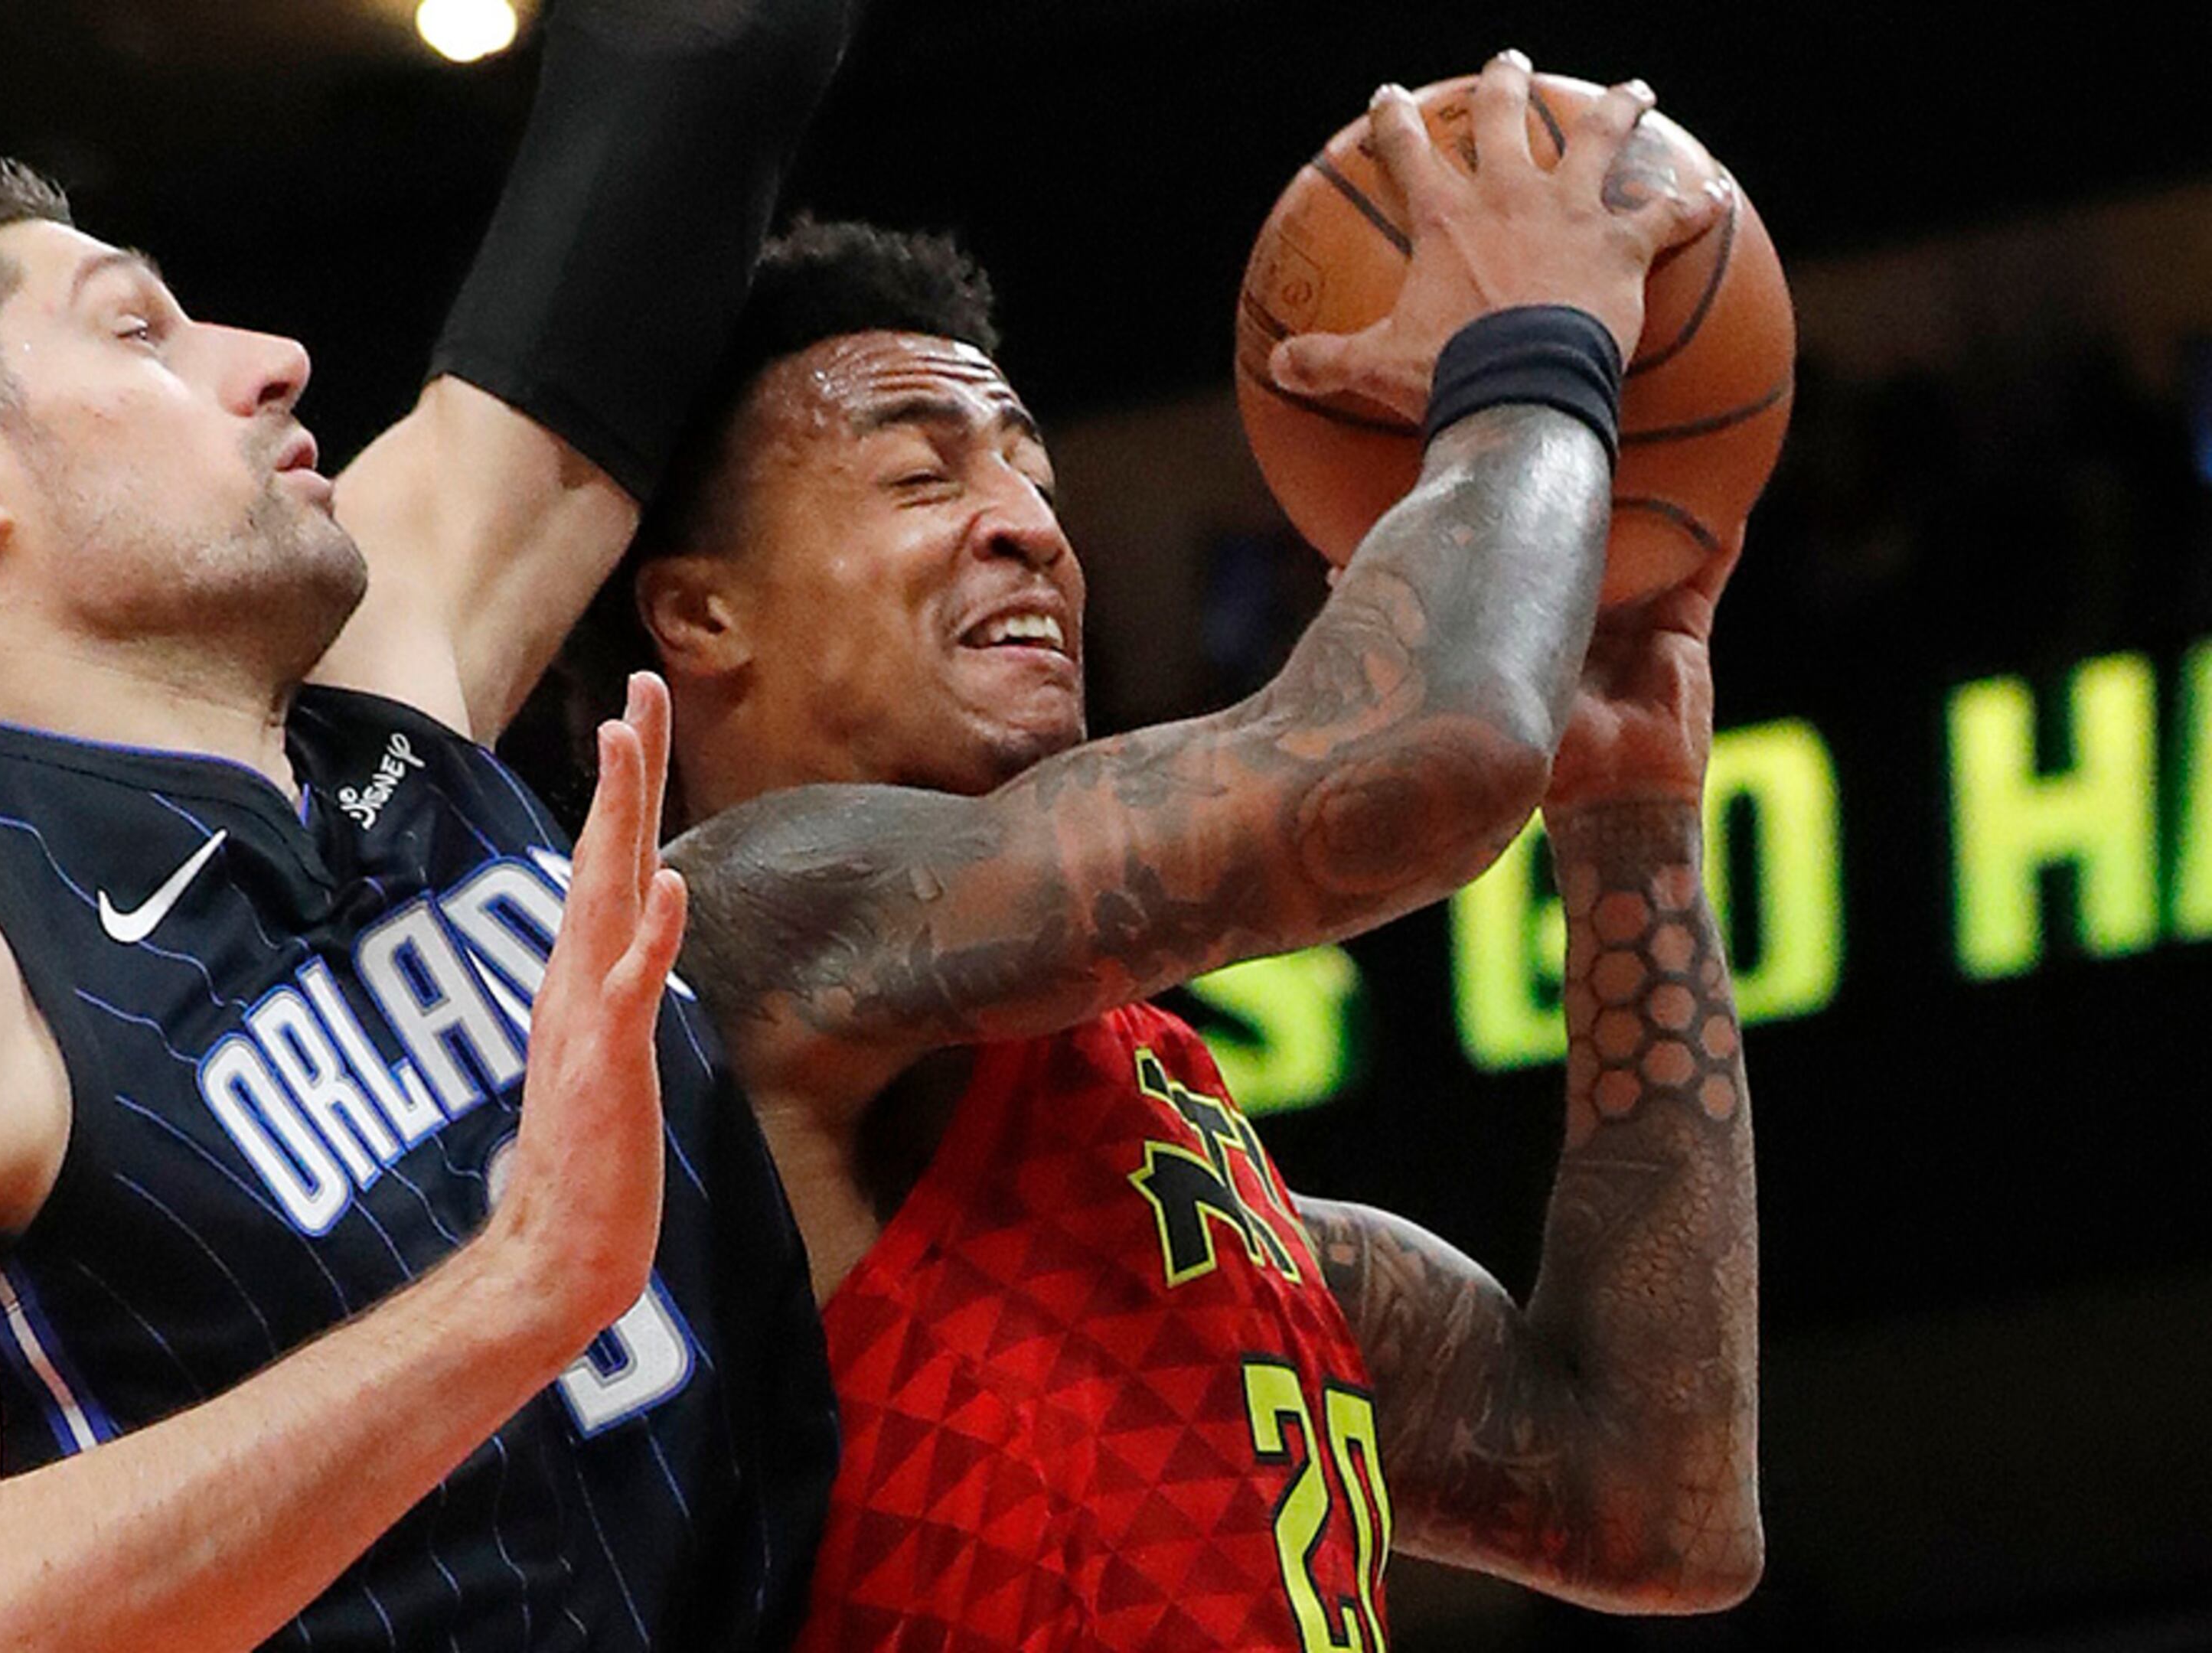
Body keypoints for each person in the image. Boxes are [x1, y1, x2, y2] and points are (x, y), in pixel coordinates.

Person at [0, 2, 853, 1646]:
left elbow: (695, 81)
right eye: (138, 332)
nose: (269, 358)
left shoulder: (385, 681)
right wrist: (517, 1292)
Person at [601, 56, 1762, 1648]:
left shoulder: (1181, 1183)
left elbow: (1658, 1501)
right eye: (924, 472)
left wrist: (1633, 822)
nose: (1028, 525)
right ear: (699, 610)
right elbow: (1423, 760)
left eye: (1032, 472)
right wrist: (1533, 350)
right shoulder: (732, 940)